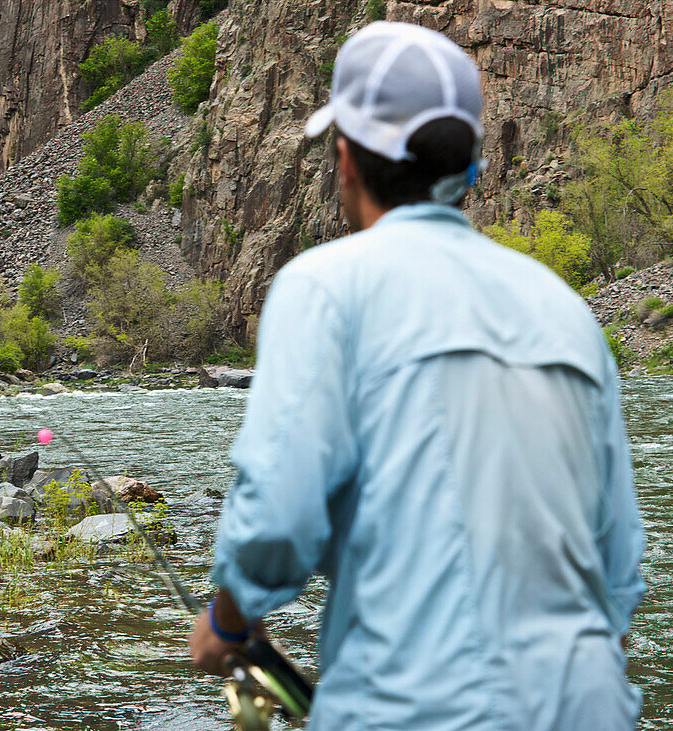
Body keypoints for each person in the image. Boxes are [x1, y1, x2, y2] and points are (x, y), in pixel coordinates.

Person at [188, 21, 645, 730]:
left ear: (345, 159)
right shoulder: (568, 314)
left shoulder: (323, 288)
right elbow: (618, 578)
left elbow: (277, 522)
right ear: (469, 169)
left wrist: (228, 619)